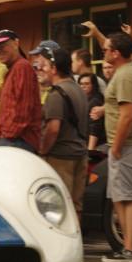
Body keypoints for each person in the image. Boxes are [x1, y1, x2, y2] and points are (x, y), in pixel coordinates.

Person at [100, 32, 132, 262]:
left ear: (115, 53)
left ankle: (130, 249)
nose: (103, 53)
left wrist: (117, 147)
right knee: (119, 196)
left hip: (127, 145)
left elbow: (127, 115)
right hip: (125, 144)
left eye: (106, 50)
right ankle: (126, 247)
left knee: (128, 197)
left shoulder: (126, 75)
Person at [38, 47, 89, 218]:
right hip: (81, 154)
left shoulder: (56, 94)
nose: (42, 69)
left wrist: (43, 151)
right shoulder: (79, 90)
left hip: (61, 158)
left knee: (58, 206)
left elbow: (53, 129)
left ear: (54, 68)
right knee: (76, 206)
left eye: (45, 65)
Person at [0, 29, 42, 152]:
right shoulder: (14, 69)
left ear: (16, 43)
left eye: (2, 46)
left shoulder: (22, 67)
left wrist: (6, 136)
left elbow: (23, 110)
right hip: (13, 140)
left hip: (18, 141)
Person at [78, 73, 106, 150]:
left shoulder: (95, 101)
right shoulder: (84, 100)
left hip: (97, 146)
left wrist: (90, 150)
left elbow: (95, 127)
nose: (83, 86)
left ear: (93, 85)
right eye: (81, 84)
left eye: (86, 84)